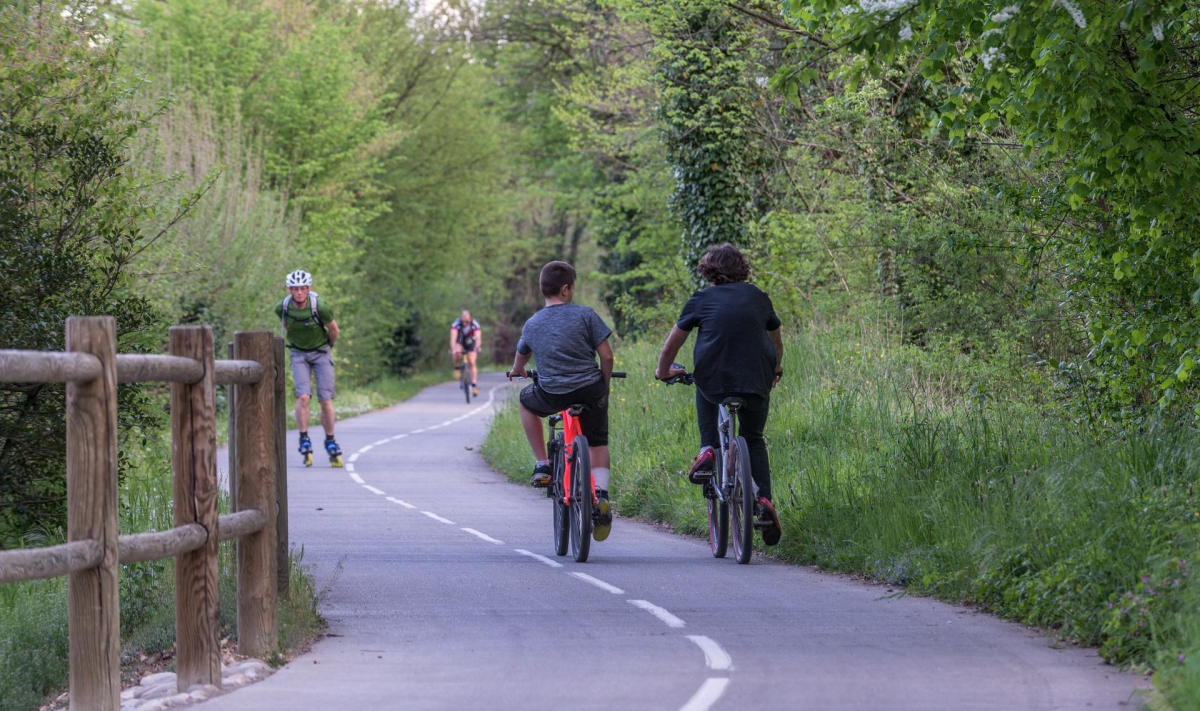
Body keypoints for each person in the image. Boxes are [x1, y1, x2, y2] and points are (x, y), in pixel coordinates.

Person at [655, 243, 784, 545]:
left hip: (715, 380)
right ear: (742, 268)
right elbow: (776, 340)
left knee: (703, 384)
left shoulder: (701, 300)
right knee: (754, 439)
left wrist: (663, 371)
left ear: (708, 272)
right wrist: (776, 368)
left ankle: (708, 450)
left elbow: (671, 346)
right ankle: (764, 500)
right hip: (757, 379)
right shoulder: (758, 297)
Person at [508, 261, 617, 539]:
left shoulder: (533, 323)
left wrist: (518, 370)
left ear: (543, 289)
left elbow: (521, 359)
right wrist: (603, 387)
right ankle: (601, 494)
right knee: (597, 442)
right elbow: (606, 356)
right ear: (566, 289)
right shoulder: (585, 315)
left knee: (526, 402)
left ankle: (542, 464)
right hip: (589, 389)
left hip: (553, 393)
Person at [276, 269, 343, 466]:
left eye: (303, 288)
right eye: (295, 289)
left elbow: (334, 330)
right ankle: (303, 438)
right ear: (289, 289)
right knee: (303, 396)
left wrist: (326, 347)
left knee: (325, 400)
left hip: (321, 351)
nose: (299, 292)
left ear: (309, 288)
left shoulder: (319, 306)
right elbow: (288, 327)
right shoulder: (283, 307)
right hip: (298, 354)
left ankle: (330, 440)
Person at [450, 310, 482, 398]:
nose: (465, 323)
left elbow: (478, 338)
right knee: (457, 353)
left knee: (472, 362)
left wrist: (477, 346)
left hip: (470, 342)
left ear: (470, 319)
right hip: (459, 340)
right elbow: (453, 338)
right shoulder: (456, 324)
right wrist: (453, 349)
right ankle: (457, 368)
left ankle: (474, 386)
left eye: (467, 321)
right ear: (461, 319)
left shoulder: (474, 324)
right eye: (463, 321)